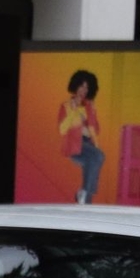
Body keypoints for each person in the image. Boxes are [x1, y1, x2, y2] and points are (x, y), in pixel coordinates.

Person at [58, 70, 104, 204]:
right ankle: (84, 192)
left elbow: (95, 131)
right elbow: (62, 130)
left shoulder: (88, 107)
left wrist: (93, 113)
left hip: (88, 146)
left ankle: (85, 199)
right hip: (75, 146)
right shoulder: (66, 106)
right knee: (99, 156)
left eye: (87, 87)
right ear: (75, 86)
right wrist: (72, 111)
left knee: (93, 162)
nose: (84, 90)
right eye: (81, 86)